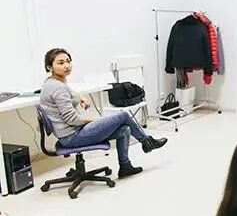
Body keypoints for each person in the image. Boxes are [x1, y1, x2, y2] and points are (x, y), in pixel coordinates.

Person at [40, 48, 167, 178]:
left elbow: (69, 93)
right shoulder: (58, 88)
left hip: (70, 134)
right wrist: (94, 120)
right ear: (50, 67)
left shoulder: (53, 82)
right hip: (72, 137)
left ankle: (125, 166)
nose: (66, 65)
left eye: (68, 61)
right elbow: (72, 119)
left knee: (124, 129)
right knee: (123, 115)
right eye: (61, 63)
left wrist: (80, 98)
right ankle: (147, 141)